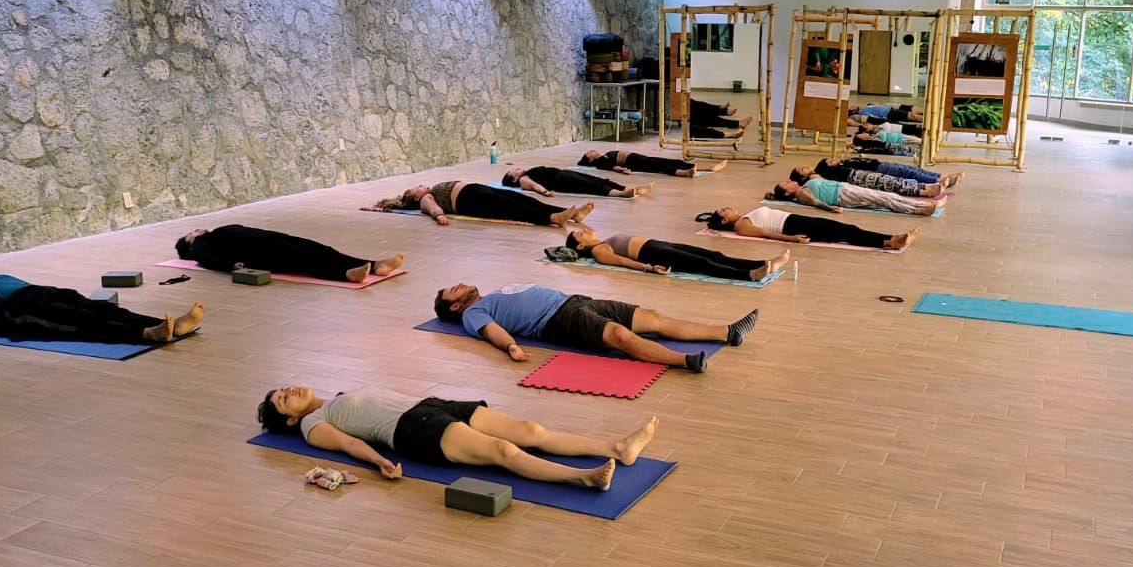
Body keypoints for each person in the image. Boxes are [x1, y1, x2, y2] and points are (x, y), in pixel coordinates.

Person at [258, 384, 663, 490]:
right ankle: (583, 476)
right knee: (503, 451)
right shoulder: (314, 425)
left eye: (284, 389)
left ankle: (618, 448)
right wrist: (379, 462)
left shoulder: (339, 396)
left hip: (432, 405)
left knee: (528, 431)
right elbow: (349, 444)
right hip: (412, 430)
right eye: (283, 400)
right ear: (292, 422)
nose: (289, 391)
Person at [433, 282, 761, 373]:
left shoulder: (490, 294)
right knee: (620, 337)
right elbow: (492, 330)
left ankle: (727, 332)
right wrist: (511, 347)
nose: (460, 285)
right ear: (456, 306)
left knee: (653, 317)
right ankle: (684, 361)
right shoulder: (473, 314)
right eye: (454, 290)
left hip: (574, 300)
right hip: (558, 320)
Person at [0, 274, 204, 350]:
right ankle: (144, 334)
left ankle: (171, 326)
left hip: (36, 291)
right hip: (17, 310)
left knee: (98, 307)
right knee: (83, 322)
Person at [176, 224, 404, 283]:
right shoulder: (199, 246)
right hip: (260, 252)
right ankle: (344, 274)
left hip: (272, 238)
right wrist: (231, 266)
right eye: (190, 233)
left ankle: (375, 265)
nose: (195, 231)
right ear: (189, 243)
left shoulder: (215, 233)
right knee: (305, 261)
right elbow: (207, 260)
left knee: (322, 250)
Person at [566, 226, 788, 283]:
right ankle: (749, 275)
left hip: (659, 245)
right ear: (581, 247)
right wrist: (648, 268)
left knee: (714, 253)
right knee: (704, 263)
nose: (584, 230)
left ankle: (764, 264)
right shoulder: (598, 250)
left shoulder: (601, 242)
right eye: (580, 234)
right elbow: (622, 262)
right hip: (653, 254)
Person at [377, 181, 591, 228]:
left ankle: (569, 214)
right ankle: (551, 218)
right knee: (511, 208)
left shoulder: (427, 192)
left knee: (521, 198)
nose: (421, 186)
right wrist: (439, 216)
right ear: (415, 197)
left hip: (475, 190)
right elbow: (433, 207)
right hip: (468, 200)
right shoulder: (425, 198)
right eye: (417, 188)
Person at [697, 206, 917, 252]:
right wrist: (791, 239)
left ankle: (890, 238)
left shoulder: (744, 216)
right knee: (844, 233)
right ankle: (889, 242)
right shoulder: (741, 225)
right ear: (725, 221)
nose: (727, 208)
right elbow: (765, 235)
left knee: (844, 228)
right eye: (723, 211)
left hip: (794, 218)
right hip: (792, 226)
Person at [768, 176, 944, 217]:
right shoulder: (800, 193)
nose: (789, 181)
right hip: (843, 196)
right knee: (882, 200)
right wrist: (830, 208)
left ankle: (919, 203)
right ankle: (916, 210)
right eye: (786, 184)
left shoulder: (806, 184)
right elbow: (815, 202)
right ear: (787, 192)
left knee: (885, 194)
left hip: (845, 188)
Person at [798, 156, 962, 192]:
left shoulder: (823, 167)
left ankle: (938, 177)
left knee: (907, 170)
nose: (804, 166)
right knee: (898, 178)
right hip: (861, 175)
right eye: (801, 170)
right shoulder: (818, 173)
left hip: (866, 168)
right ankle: (932, 183)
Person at [786, 164, 944, 200]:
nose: (805, 167)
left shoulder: (818, 171)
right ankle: (923, 191)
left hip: (856, 174)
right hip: (854, 180)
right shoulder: (814, 178)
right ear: (802, 177)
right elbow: (827, 184)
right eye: (801, 170)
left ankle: (924, 186)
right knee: (888, 184)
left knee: (889, 180)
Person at [502, 165, 653, 199]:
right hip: (560, 180)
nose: (516, 168)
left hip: (563, 174)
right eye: (513, 171)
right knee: (591, 186)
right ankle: (621, 194)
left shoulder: (526, 173)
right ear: (514, 179)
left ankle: (631, 188)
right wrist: (545, 192)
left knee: (598, 179)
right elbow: (535, 186)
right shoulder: (523, 180)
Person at [576, 149, 727, 178]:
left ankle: (707, 168)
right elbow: (612, 167)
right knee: (658, 166)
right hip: (632, 161)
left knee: (666, 161)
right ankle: (683, 173)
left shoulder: (603, 156)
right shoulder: (600, 162)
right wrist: (622, 170)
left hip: (635, 157)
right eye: (589, 153)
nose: (592, 151)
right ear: (590, 159)